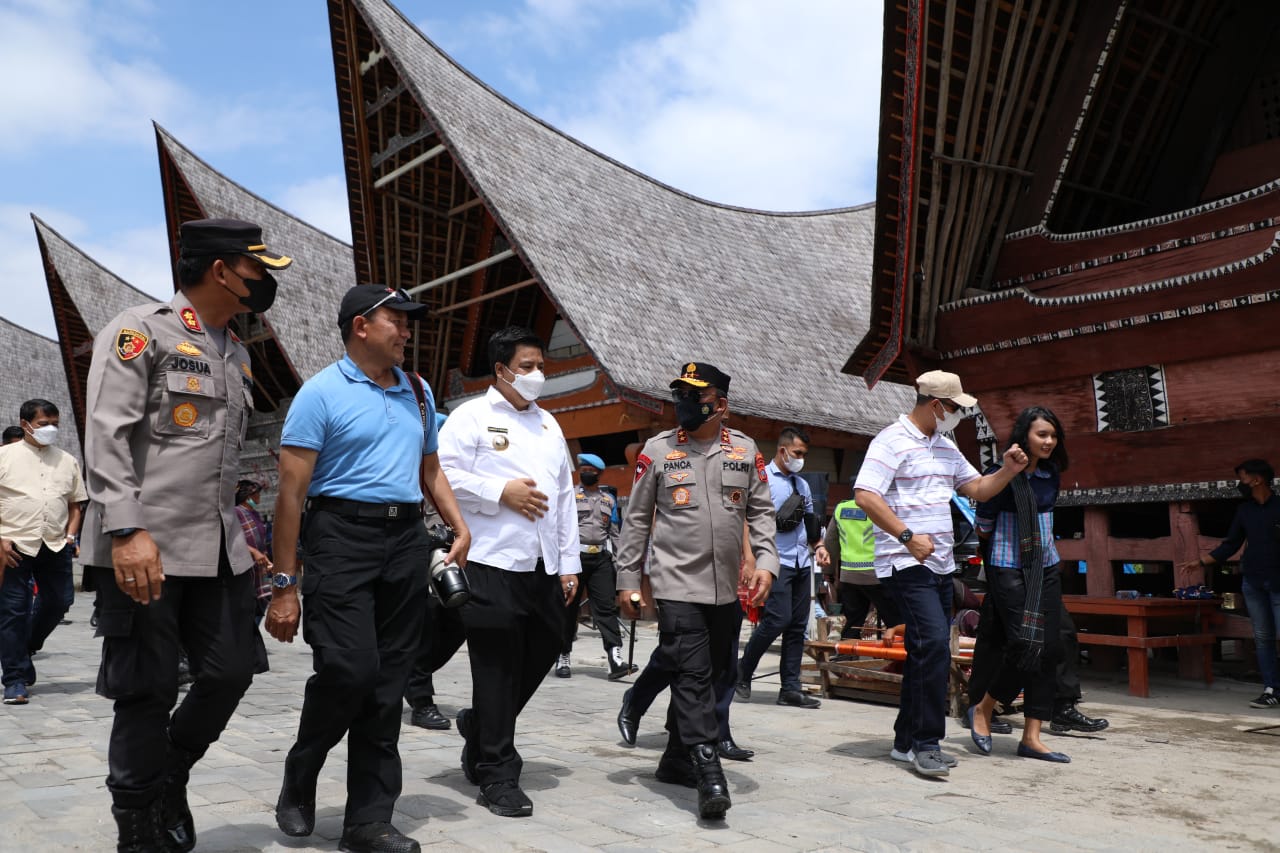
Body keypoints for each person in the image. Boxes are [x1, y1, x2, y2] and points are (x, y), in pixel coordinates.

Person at [82, 218, 291, 851]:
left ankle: (170, 772)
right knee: (145, 691)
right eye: (257, 269)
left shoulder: (236, 351)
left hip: (219, 550)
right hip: (143, 548)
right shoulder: (139, 331)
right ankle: (138, 825)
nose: (266, 281)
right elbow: (107, 434)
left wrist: (239, 536)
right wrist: (126, 529)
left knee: (231, 671)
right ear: (221, 270)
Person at [266, 285, 470, 853]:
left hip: (405, 539)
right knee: (349, 670)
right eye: (396, 321)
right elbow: (290, 494)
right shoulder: (320, 393)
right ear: (361, 325)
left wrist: (458, 525)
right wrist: (284, 585)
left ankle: (369, 821)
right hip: (339, 537)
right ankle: (303, 768)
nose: (406, 331)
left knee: (387, 685)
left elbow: (430, 468)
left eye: (408, 322)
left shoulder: (419, 392)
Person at [616, 361, 778, 821]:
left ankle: (673, 759)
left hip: (726, 587)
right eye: (680, 394)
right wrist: (628, 580)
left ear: (720, 404)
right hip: (676, 582)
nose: (684, 402)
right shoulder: (658, 451)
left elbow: (761, 512)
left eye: (695, 395)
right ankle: (709, 771)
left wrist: (766, 562)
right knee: (692, 676)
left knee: (716, 672)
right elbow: (637, 519)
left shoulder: (745, 450)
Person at [853, 369, 1029, 778]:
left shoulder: (946, 446)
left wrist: (1007, 470)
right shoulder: (890, 440)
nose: (959, 416)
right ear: (936, 405)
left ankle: (904, 742)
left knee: (925, 649)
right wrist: (907, 536)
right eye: (955, 408)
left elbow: (978, 489)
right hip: (905, 562)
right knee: (933, 644)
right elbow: (865, 495)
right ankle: (927, 743)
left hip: (940, 563)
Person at [437, 326, 580, 818]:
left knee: (548, 644)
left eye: (541, 366)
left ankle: (480, 725)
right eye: (527, 366)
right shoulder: (470, 417)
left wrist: (569, 564)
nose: (537, 374)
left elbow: (564, 497)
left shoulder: (549, 424)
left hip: (543, 564)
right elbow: (441, 475)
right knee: (496, 666)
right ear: (501, 370)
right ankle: (496, 772)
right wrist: (501, 491)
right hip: (489, 560)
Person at [966, 406, 1072, 763]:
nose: (1049, 441)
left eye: (1053, 435)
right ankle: (984, 707)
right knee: (1027, 644)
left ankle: (1032, 737)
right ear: (1024, 435)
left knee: (1050, 647)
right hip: (1008, 564)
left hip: (1046, 565)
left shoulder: (1050, 473)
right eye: (1042, 434)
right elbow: (983, 524)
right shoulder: (1000, 472)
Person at [618, 538, 758, 761]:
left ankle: (716, 731)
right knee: (675, 653)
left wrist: (750, 556)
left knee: (723, 660)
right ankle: (636, 700)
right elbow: (652, 524)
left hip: (724, 575)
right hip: (680, 573)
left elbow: (744, 520)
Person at [0, 399, 85, 705]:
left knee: (60, 601)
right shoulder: (4, 457)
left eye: (55, 424)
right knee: (13, 611)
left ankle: (25, 648)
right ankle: (15, 679)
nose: (50, 429)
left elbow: (75, 504)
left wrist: (71, 535)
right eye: (43, 424)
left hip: (55, 544)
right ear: (25, 424)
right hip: (13, 545)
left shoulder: (67, 461)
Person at [736, 426, 821, 708]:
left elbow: (810, 521)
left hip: (801, 560)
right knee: (777, 620)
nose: (801, 459)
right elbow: (746, 521)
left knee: (797, 626)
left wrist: (820, 546)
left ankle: (790, 689)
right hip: (774, 560)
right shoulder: (763, 480)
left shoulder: (802, 485)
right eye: (797, 453)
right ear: (783, 451)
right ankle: (743, 670)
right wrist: (749, 559)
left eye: (804, 454)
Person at [1196, 459, 1280, 709]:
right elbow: (1231, 543)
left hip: (1278, 580)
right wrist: (1200, 562)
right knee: (1262, 637)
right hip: (1253, 581)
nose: (1240, 483)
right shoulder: (1244, 511)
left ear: (1257, 479)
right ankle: (1271, 688)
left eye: (1243, 478)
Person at [403, 411, 469, 732]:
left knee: (459, 621)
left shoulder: (454, 471)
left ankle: (408, 672)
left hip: (452, 559)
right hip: (415, 558)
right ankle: (421, 699)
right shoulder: (408, 471)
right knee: (422, 624)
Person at [559, 452, 630, 679]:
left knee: (606, 608)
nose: (587, 473)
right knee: (568, 609)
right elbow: (561, 529)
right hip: (575, 559)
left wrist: (622, 564)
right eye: (584, 470)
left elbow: (615, 534)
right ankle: (563, 655)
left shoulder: (609, 500)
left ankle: (615, 658)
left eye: (591, 471)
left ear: (599, 474)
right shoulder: (570, 496)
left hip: (600, 558)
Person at [815, 496, 900, 639]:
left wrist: (828, 572)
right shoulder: (882, 507)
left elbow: (831, 542)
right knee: (895, 622)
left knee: (853, 622)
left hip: (849, 575)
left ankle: (846, 650)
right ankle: (897, 651)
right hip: (878, 575)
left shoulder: (841, 508)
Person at [233, 479, 272, 625]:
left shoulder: (255, 514)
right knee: (248, 605)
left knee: (262, 601)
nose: (258, 497)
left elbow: (261, 539)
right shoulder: (236, 513)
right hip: (245, 567)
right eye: (255, 494)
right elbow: (232, 539)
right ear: (247, 497)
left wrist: (265, 557)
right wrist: (253, 551)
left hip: (260, 566)